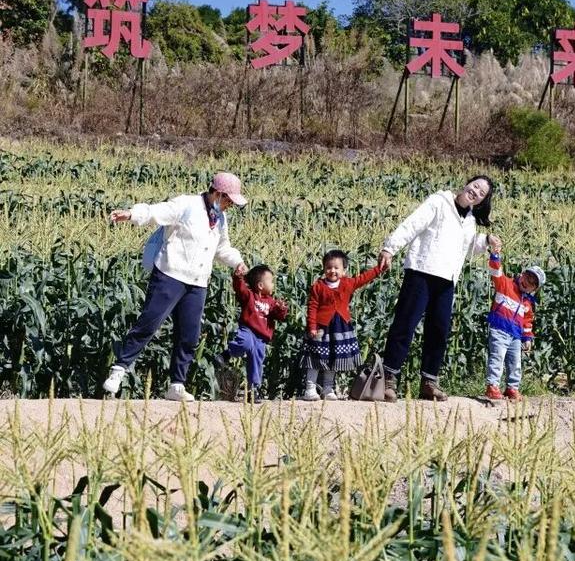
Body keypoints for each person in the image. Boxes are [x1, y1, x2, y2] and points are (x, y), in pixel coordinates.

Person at [103, 172, 248, 402]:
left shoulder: (220, 219)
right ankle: (118, 370)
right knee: (149, 324)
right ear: (218, 194)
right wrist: (131, 214)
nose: (229, 206)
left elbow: (222, 248)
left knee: (189, 335)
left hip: (197, 282)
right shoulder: (187, 204)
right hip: (169, 275)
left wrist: (237, 262)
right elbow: (156, 212)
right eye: (228, 200)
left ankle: (176, 384)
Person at [378, 175, 501, 403]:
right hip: (421, 271)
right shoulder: (439, 202)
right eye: (475, 186)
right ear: (467, 184)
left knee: (439, 331)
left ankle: (429, 382)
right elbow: (413, 224)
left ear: (482, 200)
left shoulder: (470, 220)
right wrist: (390, 248)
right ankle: (388, 378)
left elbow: (468, 247)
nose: (475, 192)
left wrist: (485, 241)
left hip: (447, 279)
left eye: (481, 193)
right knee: (405, 325)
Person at [302, 249, 384, 401]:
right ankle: (310, 389)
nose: (332, 271)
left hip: (340, 329)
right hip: (321, 329)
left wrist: (379, 269)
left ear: (344, 270)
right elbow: (312, 307)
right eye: (328, 267)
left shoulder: (348, 283)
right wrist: (312, 326)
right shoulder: (318, 286)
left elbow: (363, 278)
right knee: (315, 358)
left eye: (336, 267)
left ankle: (328, 388)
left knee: (334, 358)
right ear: (324, 268)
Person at [219, 264, 288, 402]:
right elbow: (240, 289)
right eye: (271, 281)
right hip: (248, 330)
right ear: (261, 285)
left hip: (261, 338)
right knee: (244, 343)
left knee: (257, 362)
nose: (273, 284)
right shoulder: (250, 296)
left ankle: (253, 390)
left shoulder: (272, 302)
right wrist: (238, 277)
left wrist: (281, 308)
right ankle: (227, 354)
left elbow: (279, 316)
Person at [485, 249, 545, 402]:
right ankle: (492, 386)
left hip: (516, 336)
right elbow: (496, 272)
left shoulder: (527, 303)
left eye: (532, 283)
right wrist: (495, 256)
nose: (527, 283)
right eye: (527, 277)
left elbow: (527, 322)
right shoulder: (505, 284)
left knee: (515, 362)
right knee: (497, 357)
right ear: (522, 274)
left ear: (534, 289)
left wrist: (527, 338)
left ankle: (512, 388)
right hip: (499, 329)